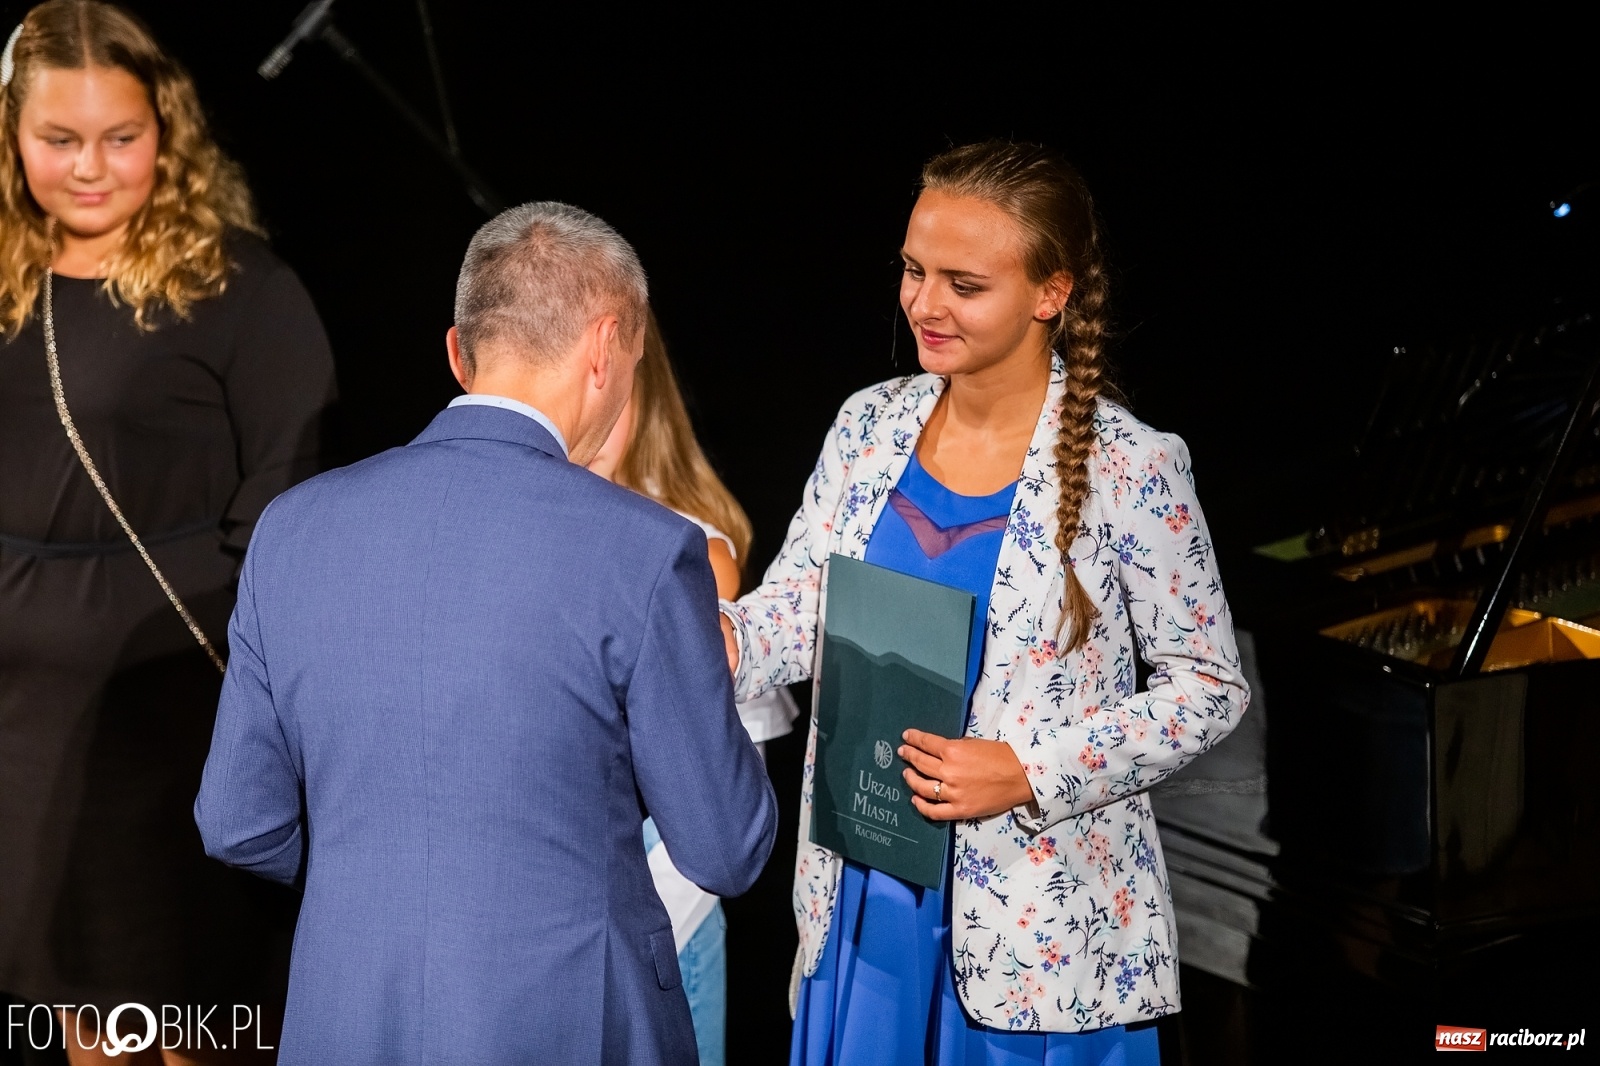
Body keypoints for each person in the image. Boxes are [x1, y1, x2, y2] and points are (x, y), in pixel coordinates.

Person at [193, 202, 779, 1066]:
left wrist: (378, 873)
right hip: (578, 1020)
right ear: (607, 345)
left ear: (459, 353)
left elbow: (237, 821)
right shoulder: (648, 551)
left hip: (347, 1009)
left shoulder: (292, 528)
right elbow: (727, 847)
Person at [719, 141, 1252, 1064]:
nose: (923, 304)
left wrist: (1029, 770)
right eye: (913, 271)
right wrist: (715, 641)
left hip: (1033, 919)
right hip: (868, 886)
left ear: (1051, 292)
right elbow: (805, 604)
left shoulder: (1132, 464)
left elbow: (1208, 686)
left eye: (964, 284)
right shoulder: (868, 423)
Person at [0, 3, 335, 1062]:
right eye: (59, 139)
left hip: (169, 708)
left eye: (122, 136)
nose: (91, 167)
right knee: (64, 1011)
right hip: (18, 721)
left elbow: (289, 498)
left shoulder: (237, 288)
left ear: (167, 131)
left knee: (185, 1013)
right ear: (11, 135)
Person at [587, 308, 799, 1066]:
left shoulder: (689, 550)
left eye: (604, 381)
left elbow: (715, 782)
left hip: (662, 911)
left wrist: (635, 932)